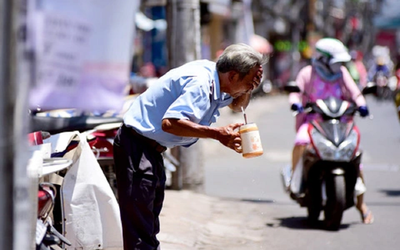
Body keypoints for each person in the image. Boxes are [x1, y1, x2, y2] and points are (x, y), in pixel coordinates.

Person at [113, 43, 265, 250]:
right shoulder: (201, 84)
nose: (249, 88)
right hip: (137, 147)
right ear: (233, 76)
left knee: (148, 225)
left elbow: (237, 105)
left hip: (152, 150)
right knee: (140, 231)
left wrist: (250, 87)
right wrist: (217, 134)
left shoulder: (218, 79)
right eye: (247, 82)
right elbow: (171, 123)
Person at [288, 38, 374, 224]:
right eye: (336, 61)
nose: (340, 65)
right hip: (313, 123)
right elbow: (296, 92)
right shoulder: (307, 73)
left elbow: (355, 93)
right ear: (323, 59)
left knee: (354, 155)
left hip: (341, 123)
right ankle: (296, 181)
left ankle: (361, 203)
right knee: (301, 143)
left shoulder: (342, 73)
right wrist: (295, 103)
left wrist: (362, 105)